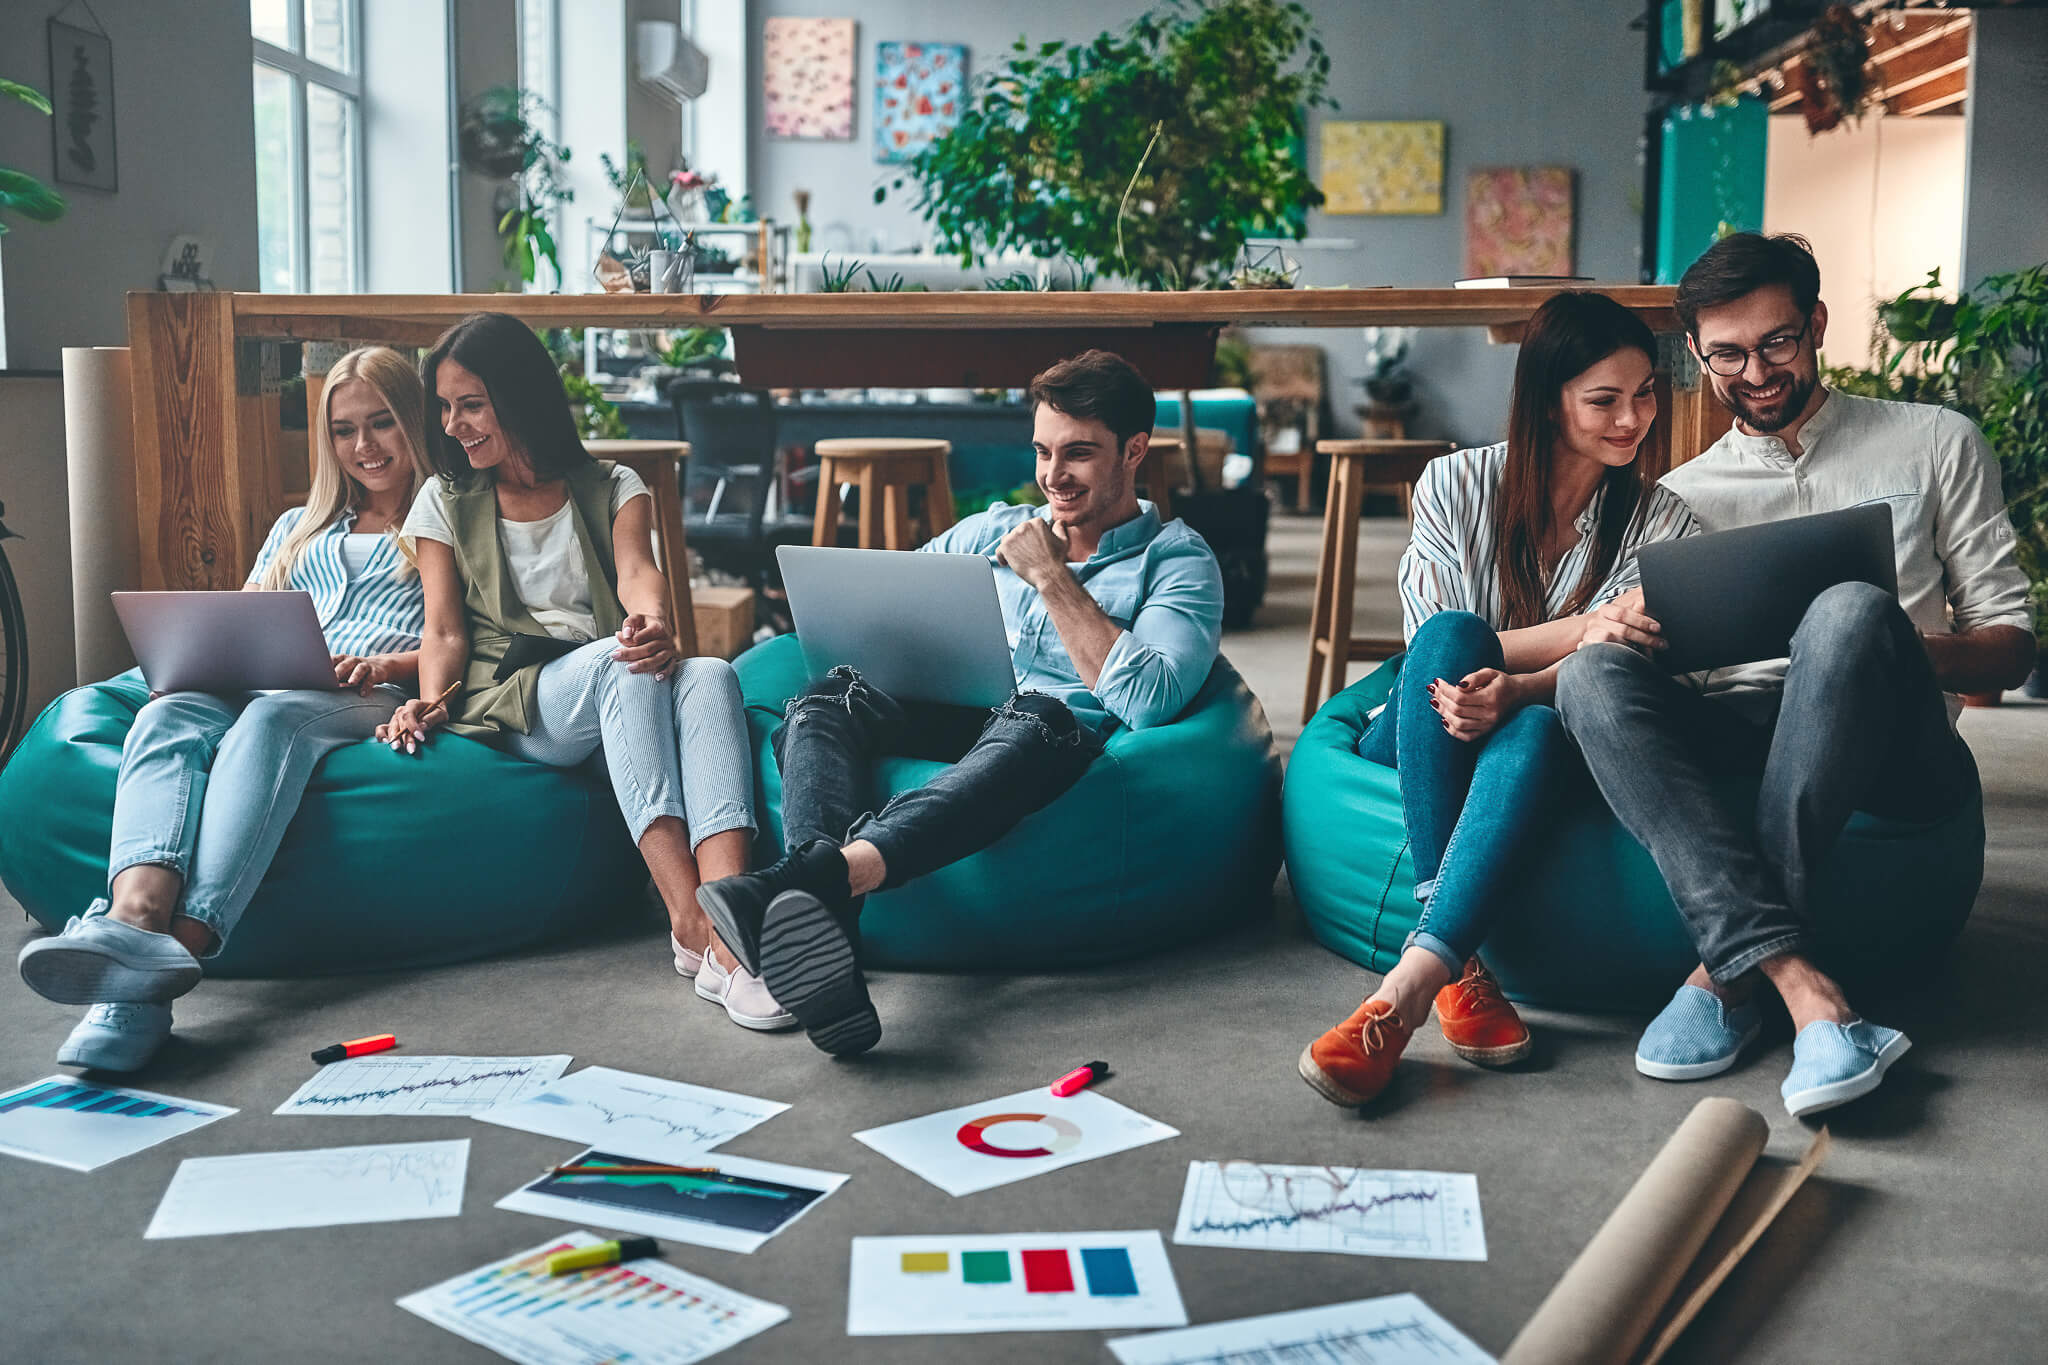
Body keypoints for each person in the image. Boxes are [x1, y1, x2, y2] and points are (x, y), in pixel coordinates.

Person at [1554, 233, 2036, 1118]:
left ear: (1815, 323)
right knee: (1591, 678)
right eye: (1728, 354)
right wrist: (1623, 635)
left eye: (1778, 341)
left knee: (1848, 609)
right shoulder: (1679, 494)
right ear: (1696, 357)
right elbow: (1645, 665)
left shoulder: (1936, 441)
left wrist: (1891, 638)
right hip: (1740, 726)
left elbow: (2012, 647)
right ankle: (1803, 988)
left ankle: (1722, 976)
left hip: (1896, 743)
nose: (1758, 371)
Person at [694, 349, 1225, 1057]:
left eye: (1079, 454)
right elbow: (889, 609)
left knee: (1041, 714)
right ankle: (833, 948)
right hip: (944, 704)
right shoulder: (990, 529)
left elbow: (1147, 699)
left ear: (1134, 450)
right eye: (1042, 451)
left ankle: (809, 884)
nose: (1052, 476)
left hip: (1040, 734)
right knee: (822, 697)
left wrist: (1050, 578)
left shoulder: (1178, 560)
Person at [1297, 292, 1701, 1109]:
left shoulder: (1664, 517)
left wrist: (1519, 684)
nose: (1634, 419)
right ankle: (1462, 958)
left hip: (1547, 732)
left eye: (1645, 394)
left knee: (1542, 726)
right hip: (1427, 725)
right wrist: (1584, 624)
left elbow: (1622, 663)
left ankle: (1414, 985)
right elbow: (1434, 658)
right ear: (1548, 399)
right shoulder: (1452, 483)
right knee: (1451, 631)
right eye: (1604, 400)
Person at [16, 346, 435, 1070]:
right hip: (267, 680)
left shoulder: (443, 527)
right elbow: (242, 621)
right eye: (343, 430)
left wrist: (382, 664)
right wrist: (198, 659)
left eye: (382, 423)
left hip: (363, 695)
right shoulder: (298, 526)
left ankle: (178, 950)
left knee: (271, 722)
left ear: (414, 424)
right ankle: (136, 916)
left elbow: (464, 643)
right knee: (165, 712)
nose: (362, 446)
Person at [379, 313, 781, 1031]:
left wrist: (652, 621)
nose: (454, 423)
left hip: (617, 687)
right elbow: (442, 626)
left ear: (519, 394)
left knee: (713, 672)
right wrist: (429, 698)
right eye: (444, 407)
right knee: (621, 666)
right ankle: (692, 922)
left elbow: (637, 572)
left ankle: (733, 921)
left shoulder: (611, 483)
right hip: (517, 700)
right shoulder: (444, 499)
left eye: (471, 403)